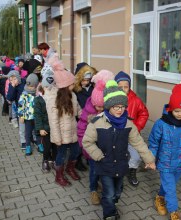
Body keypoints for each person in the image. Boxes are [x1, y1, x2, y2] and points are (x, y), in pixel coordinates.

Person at [82, 80, 156, 220]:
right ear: (108, 106)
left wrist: (149, 159)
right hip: (104, 164)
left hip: (121, 164)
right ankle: (109, 213)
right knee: (109, 193)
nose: (119, 109)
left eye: (122, 106)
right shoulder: (97, 123)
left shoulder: (128, 123)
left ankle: (112, 203)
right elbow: (87, 141)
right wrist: (98, 155)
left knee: (117, 191)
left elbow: (138, 142)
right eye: (116, 106)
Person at [148, 83, 181, 220]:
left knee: (169, 184)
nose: (179, 114)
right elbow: (153, 142)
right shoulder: (161, 124)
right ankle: (174, 212)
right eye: (176, 111)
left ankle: (159, 197)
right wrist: (150, 158)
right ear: (171, 109)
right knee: (171, 188)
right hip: (165, 162)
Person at [77, 70, 115, 205]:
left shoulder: (109, 113)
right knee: (93, 171)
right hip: (92, 150)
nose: (99, 108)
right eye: (97, 105)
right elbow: (81, 128)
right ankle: (93, 189)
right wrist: (83, 145)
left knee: (104, 170)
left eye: (102, 106)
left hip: (106, 149)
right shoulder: (88, 112)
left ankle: (104, 186)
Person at [45, 58, 81, 187]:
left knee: (76, 151)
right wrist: (57, 138)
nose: (74, 86)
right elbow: (53, 121)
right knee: (60, 155)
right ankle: (58, 175)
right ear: (65, 86)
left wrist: (87, 117)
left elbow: (78, 112)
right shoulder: (53, 99)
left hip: (72, 130)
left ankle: (70, 168)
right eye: (72, 84)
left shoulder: (73, 96)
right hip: (61, 134)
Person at [114, 71, 149, 187]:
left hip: (131, 135)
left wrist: (137, 127)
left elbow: (144, 114)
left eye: (126, 87)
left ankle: (131, 171)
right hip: (116, 135)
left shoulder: (136, 100)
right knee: (116, 156)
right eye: (120, 87)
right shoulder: (112, 100)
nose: (123, 89)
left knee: (136, 156)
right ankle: (115, 175)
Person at [34, 70, 57, 172]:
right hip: (45, 128)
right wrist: (40, 128)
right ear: (42, 87)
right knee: (47, 147)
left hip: (54, 127)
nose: (48, 89)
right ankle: (45, 160)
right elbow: (37, 116)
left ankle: (53, 160)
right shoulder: (39, 100)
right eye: (46, 87)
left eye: (51, 87)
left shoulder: (55, 98)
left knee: (55, 146)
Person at [18, 73, 44, 156]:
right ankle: (28, 145)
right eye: (28, 85)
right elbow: (20, 105)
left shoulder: (38, 94)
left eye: (32, 86)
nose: (30, 88)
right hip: (27, 118)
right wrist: (21, 116)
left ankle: (39, 144)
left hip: (37, 118)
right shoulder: (24, 94)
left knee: (37, 131)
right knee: (28, 133)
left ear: (36, 85)